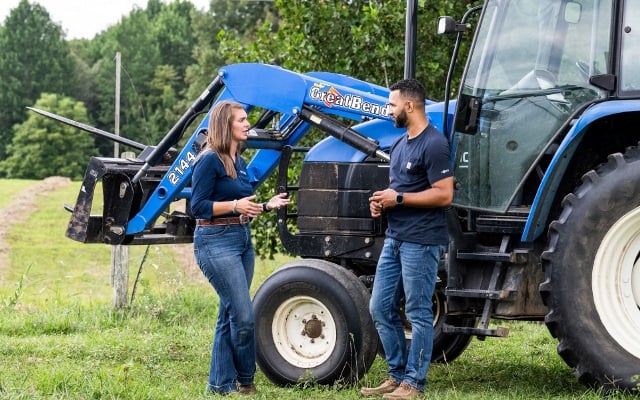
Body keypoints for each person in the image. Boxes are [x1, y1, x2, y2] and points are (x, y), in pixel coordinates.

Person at [361, 79, 454, 400]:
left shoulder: (434, 144)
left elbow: (444, 195)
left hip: (422, 241)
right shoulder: (400, 145)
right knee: (380, 307)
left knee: (417, 311)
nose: (389, 110)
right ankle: (397, 375)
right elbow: (398, 190)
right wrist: (380, 204)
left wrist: (397, 199)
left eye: (392, 105)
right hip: (395, 238)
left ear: (410, 106)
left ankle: (414, 384)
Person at [190, 100, 289, 395]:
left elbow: (242, 207)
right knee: (243, 316)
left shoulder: (240, 163)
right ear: (225, 125)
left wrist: (264, 206)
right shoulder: (209, 160)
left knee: (229, 313)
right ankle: (246, 381)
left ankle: (221, 384)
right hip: (215, 241)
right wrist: (234, 205)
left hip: (241, 240)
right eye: (242, 120)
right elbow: (197, 206)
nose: (248, 124)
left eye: (247, 119)